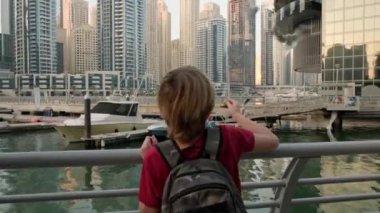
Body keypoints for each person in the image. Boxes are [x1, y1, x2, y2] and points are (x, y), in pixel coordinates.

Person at [138, 66, 279, 213]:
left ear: (163, 110)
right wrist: (237, 115)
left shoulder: (155, 158)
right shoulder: (228, 137)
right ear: (209, 106)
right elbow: (272, 140)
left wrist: (148, 159)